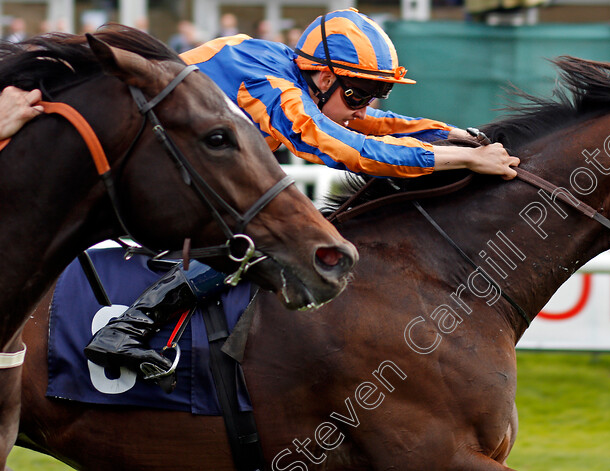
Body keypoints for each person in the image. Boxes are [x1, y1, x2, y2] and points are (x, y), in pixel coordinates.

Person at [84, 9, 520, 380]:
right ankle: (128, 329)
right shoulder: (272, 87)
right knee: (265, 236)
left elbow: (374, 124)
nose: (365, 106)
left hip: (171, 169)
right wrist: (463, 161)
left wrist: (461, 137)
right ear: (325, 75)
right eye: (358, 93)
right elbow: (350, 149)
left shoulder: (300, 75)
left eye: (375, 92)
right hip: (125, 174)